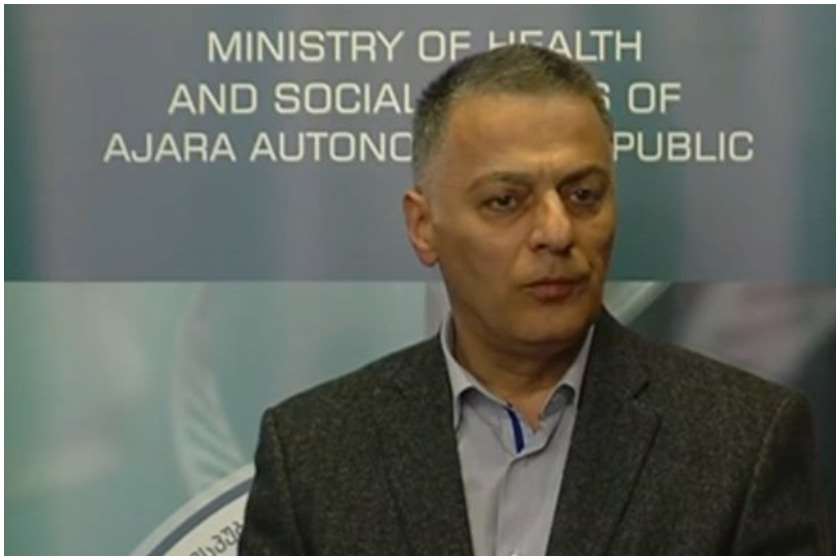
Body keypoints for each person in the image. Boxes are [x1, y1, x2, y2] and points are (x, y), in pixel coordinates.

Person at [238, 45, 829, 555]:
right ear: (424, 226)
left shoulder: (741, 441)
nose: (557, 231)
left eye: (583, 194)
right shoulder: (315, 453)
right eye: (506, 201)